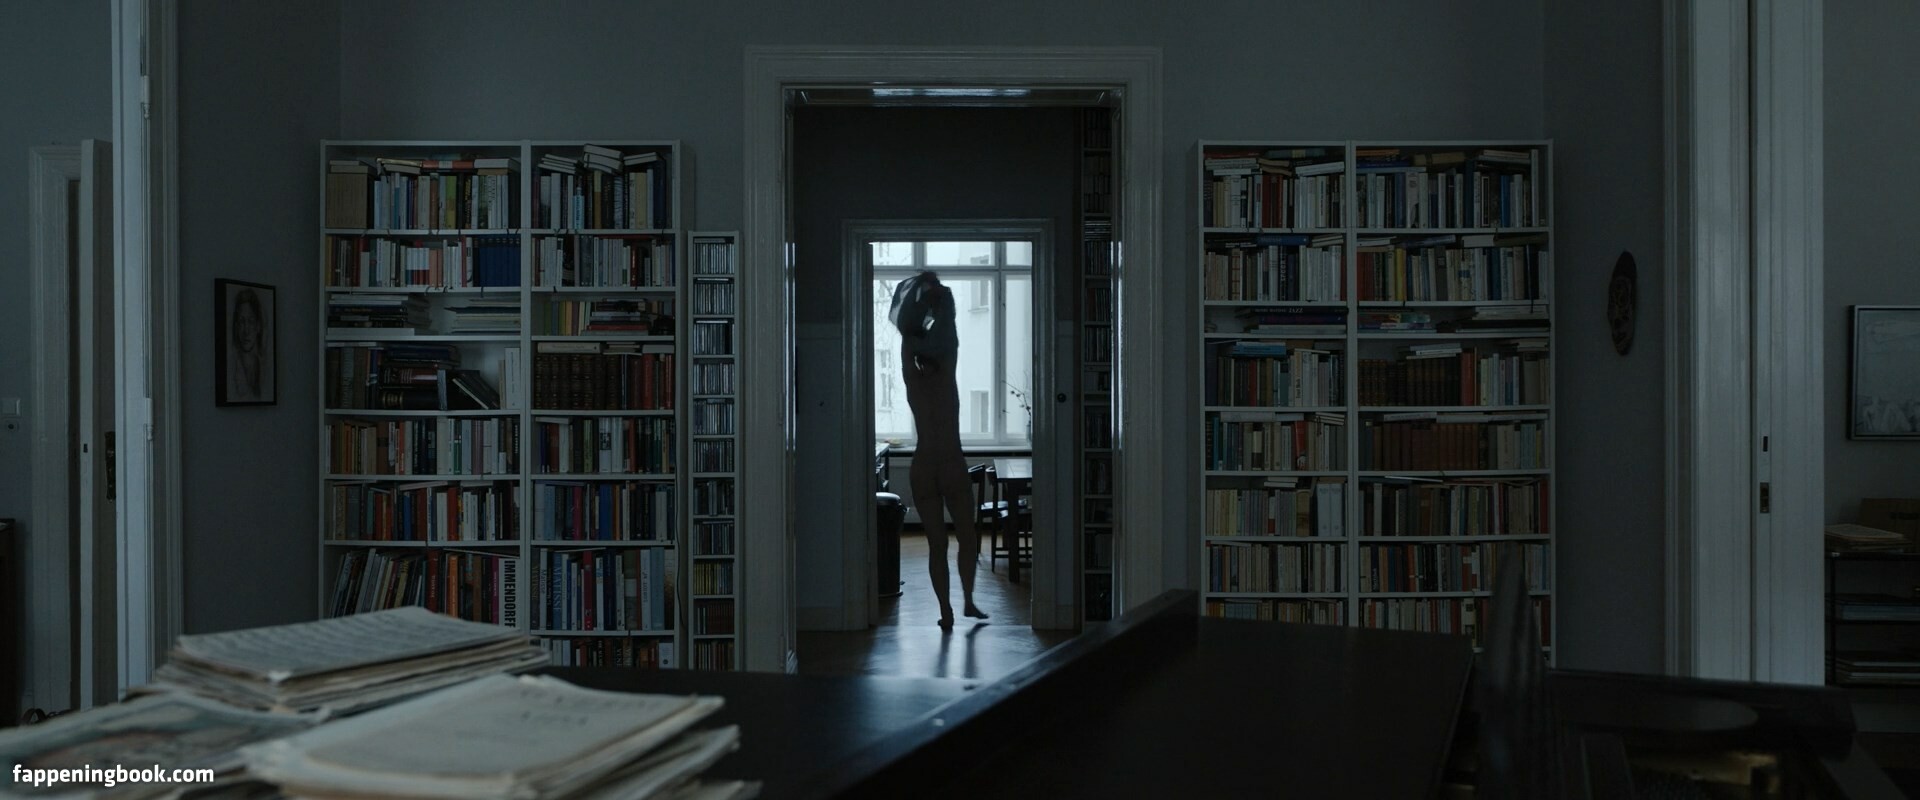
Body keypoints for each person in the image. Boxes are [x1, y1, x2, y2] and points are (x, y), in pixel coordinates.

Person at [893, 271, 987, 628]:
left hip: (923, 465)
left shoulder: (911, 376)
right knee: (967, 537)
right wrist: (938, 296)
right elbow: (948, 327)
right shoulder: (947, 368)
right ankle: (968, 601)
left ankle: (946, 611)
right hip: (949, 462)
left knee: (936, 545)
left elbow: (907, 333)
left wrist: (918, 299)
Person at [228, 287, 266, 401]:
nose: (246, 330)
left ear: (258, 326)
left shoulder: (264, 368)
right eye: (241, 322)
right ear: (236, 326)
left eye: (251, 321)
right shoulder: (232, 370)